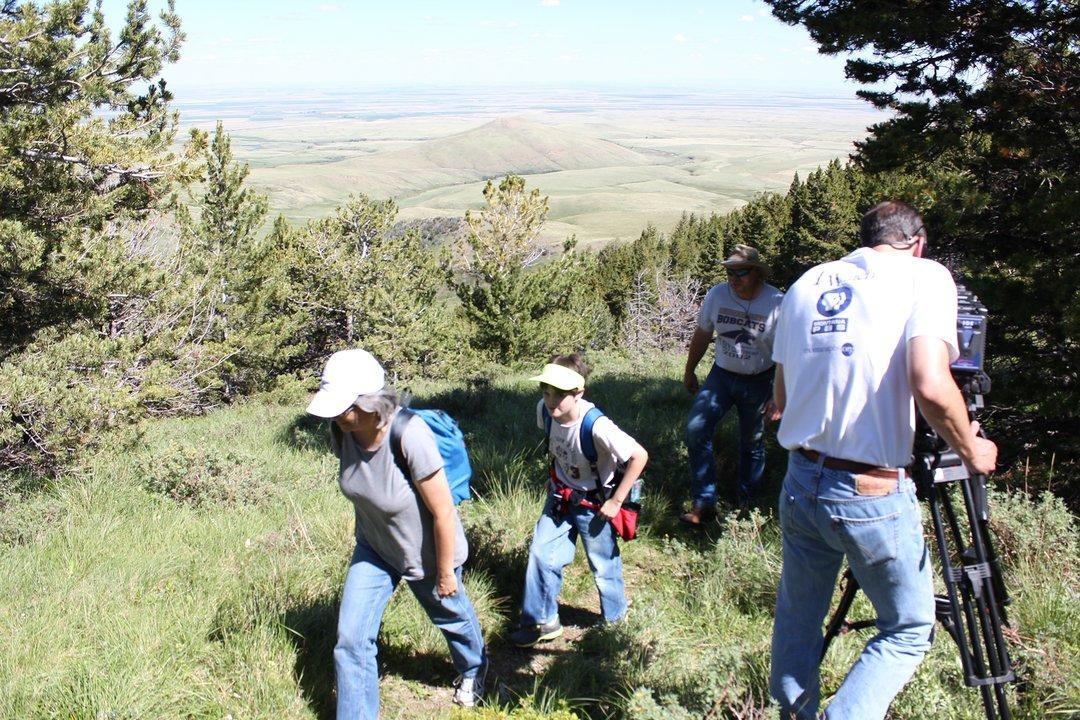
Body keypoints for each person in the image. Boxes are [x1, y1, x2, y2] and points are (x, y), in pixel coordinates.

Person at [768, 201, 998, 720]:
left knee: (799, 616)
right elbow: (932, 384)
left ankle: (793, 711)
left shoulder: (807, 284)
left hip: (802, 477)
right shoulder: (923, 276)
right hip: (869, 487)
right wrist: (971, 448)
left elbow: (781, 393)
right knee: (910, 626)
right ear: (916, 242)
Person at [306, 349, 487, 718]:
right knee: (351, 641)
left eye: (344, 407)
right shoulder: (341, 431)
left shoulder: (409, 434)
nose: (337, 416)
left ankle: (474, 667)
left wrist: (447, 570)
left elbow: (442, 510)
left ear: (371, 403)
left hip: (428, 553)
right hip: (374, 548)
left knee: (450, 617)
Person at [509, 354, 649, 647]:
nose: (551, 401)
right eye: (546, 392)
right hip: (561, 498)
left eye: (559, 395)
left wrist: (616, 501)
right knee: (540, 553)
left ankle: (615, 623)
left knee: (603, 565)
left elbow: (639, 456)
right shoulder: (545, 412)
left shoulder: (596, 425)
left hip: (595, 506)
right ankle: (541, 620)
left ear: (578, 393)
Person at [682, 244, 784, 524]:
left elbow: (787, 353)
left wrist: (779, 395)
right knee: (696, 429)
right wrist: (690, 370)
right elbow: (703, 333)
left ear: (757, 273)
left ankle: (747, 508)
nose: (734, 278)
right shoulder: (717, 295)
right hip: (722, 376)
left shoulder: (777, 302)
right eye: (729, 272)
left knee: (752, 443)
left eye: (741, 272)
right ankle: (704, 503)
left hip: (761, 379)